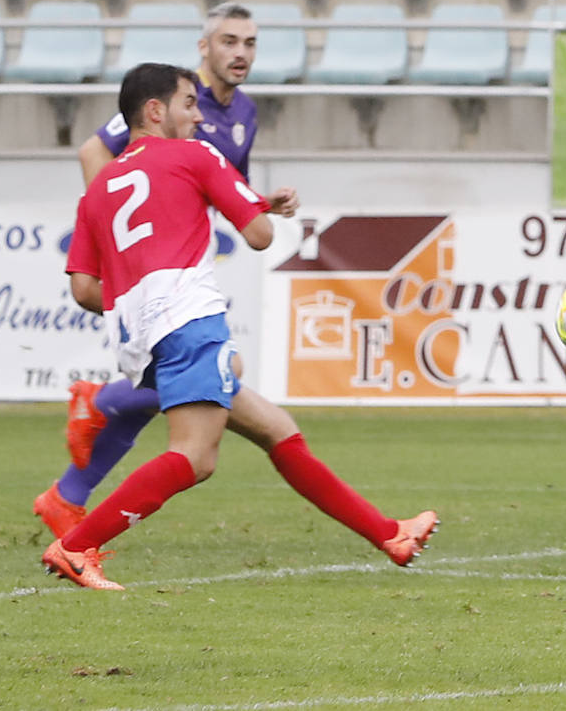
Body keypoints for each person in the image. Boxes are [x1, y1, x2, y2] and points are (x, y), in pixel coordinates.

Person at [42, 63, 437, 590]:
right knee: (195, 457)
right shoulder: (196, 153)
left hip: (141, 337)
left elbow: (85, 290)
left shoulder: (98, 191)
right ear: (155, 111)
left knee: (278, 429)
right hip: (190, 320)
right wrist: (248, 205)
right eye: (188, 103)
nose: (198, 115)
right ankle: (76, 545)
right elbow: (259, 235)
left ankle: (391, 534)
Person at [33, 2, 299, 539]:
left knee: (208, 374)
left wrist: (259, 205)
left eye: (249, 43)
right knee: (222, 371)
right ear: (204, 48)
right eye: (228, 41)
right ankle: (99, 407)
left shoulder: (243, 112)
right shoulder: (172, 100)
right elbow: (93, 149)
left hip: (184, 259)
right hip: (150, 261)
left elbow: (226, 189)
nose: (240, 52)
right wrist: (111, 225)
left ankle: (70, 492)